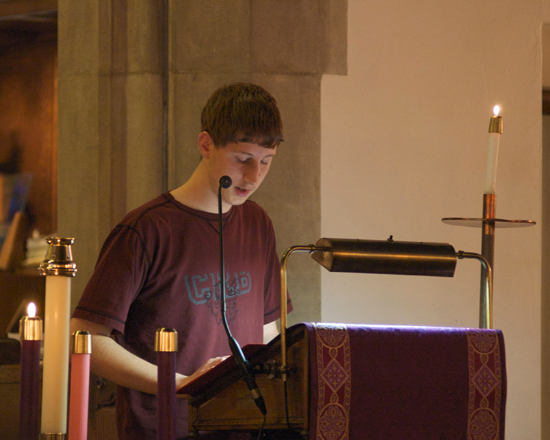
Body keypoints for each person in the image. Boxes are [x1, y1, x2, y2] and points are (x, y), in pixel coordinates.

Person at [70, 82, 290, 439]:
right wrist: (181, 384)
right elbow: (85, 338)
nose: (254, 176)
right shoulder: (147, 229)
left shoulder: (257, 223)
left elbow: (265, 329)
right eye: (242, 159)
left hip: (242, 426)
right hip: (164, 426)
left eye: (266, 162)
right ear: (206, 145)